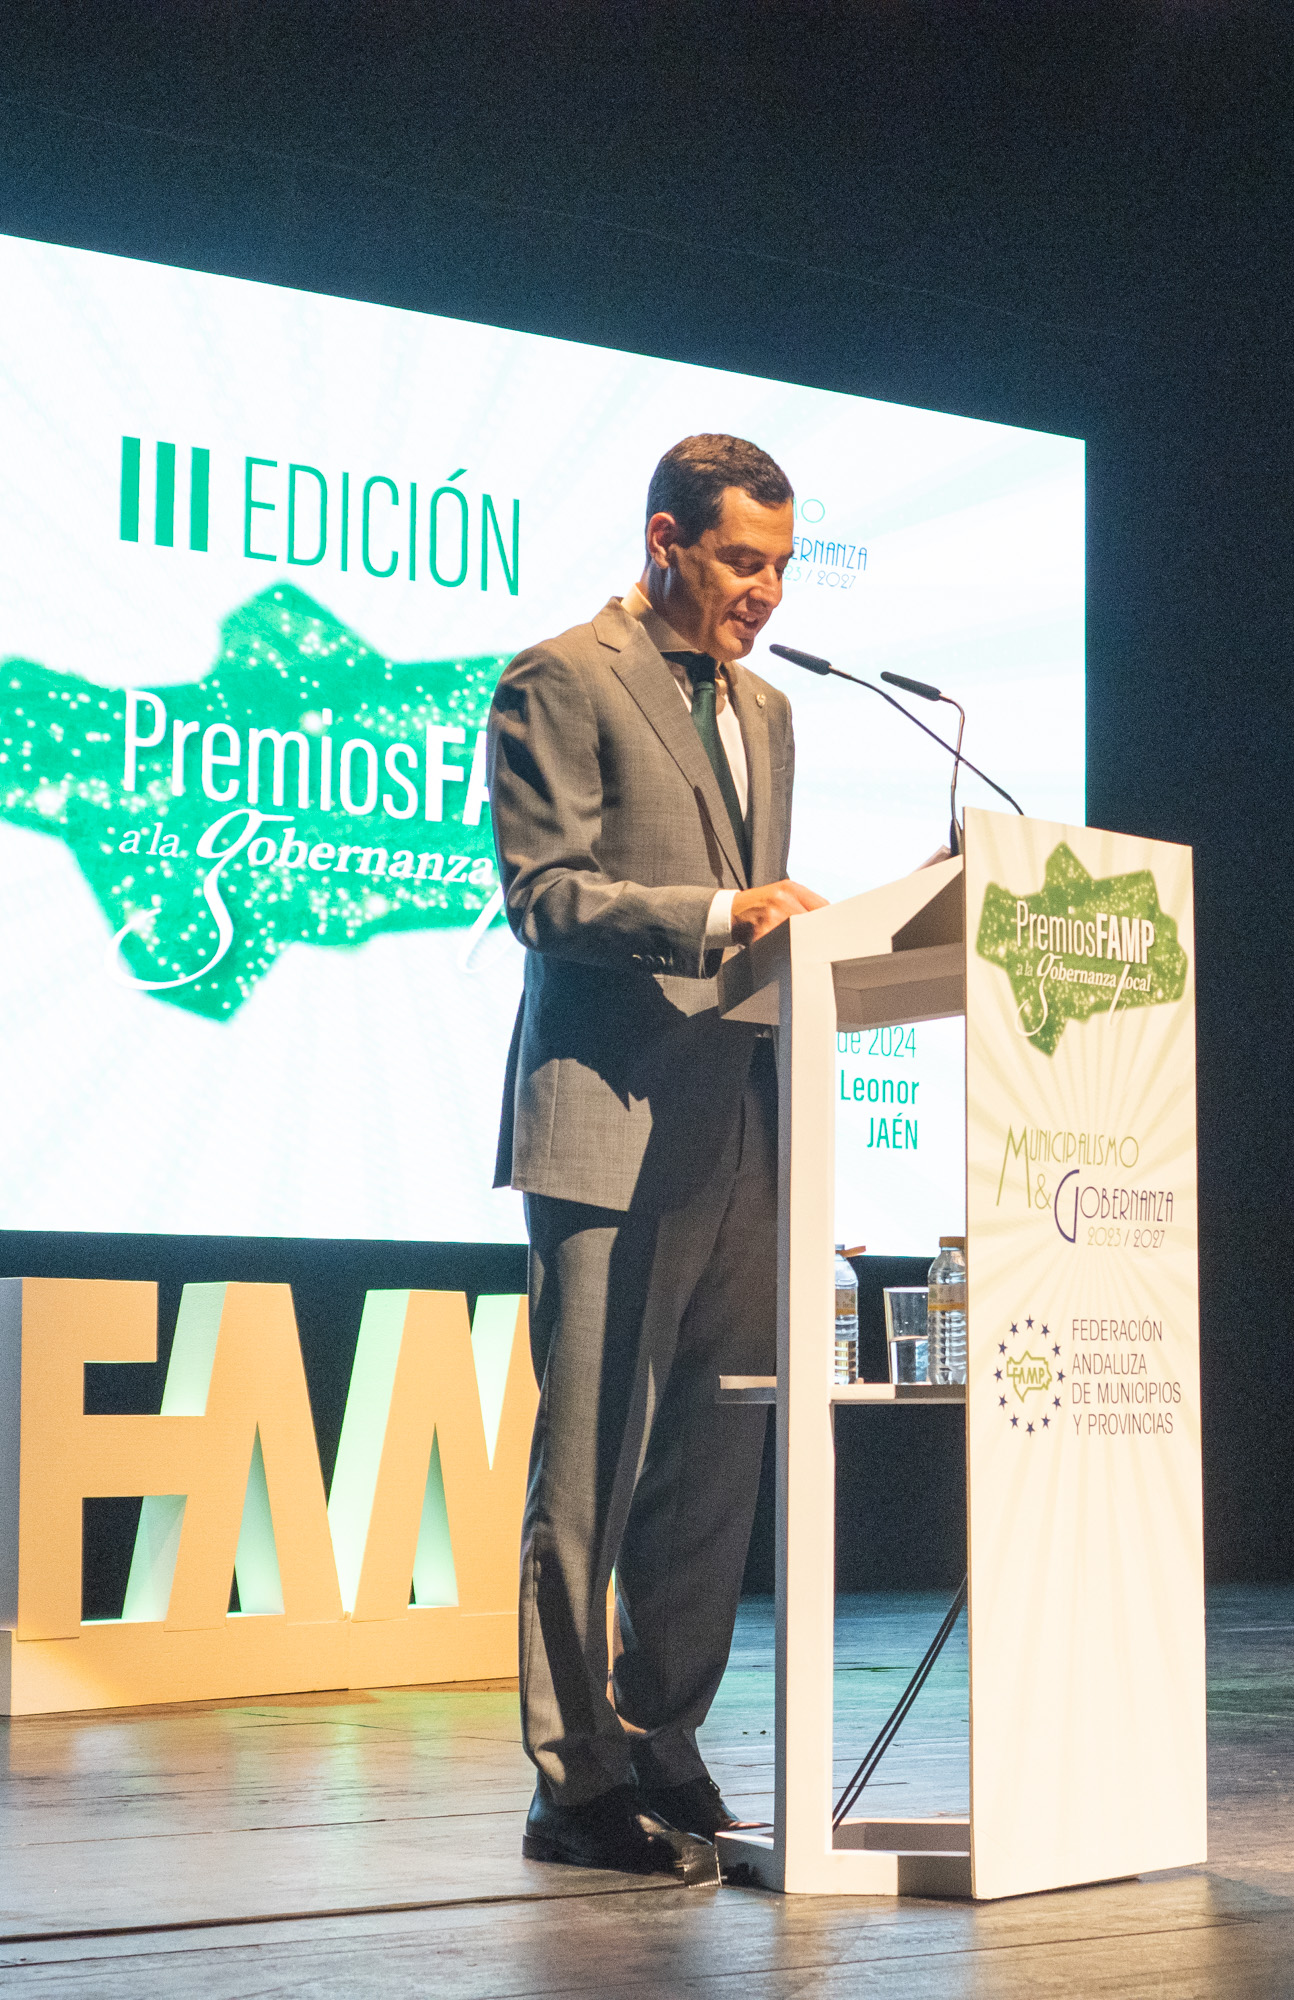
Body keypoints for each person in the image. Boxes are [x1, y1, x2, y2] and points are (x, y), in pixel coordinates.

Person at [488, 434, 827, 1880]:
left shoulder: (770, 709)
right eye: (743, 560)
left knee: (716, 1457)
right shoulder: (562, 677)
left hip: (741, 1121)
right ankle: (575, 1787)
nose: (766, 592)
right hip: (609, 1122)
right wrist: (712, 916)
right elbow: (545, 895)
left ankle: (663, 1737)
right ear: (665, 539)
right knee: (589, 1472)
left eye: (782, 567)